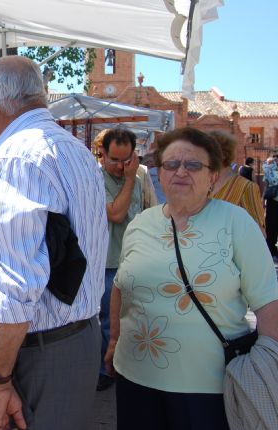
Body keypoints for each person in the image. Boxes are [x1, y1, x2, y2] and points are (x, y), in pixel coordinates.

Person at [0, 55, 107, 430]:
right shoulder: (75, 149)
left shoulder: (15, 156)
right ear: (40, 96)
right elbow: (61, 240)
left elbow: (20, 284)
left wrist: (1, 379)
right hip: (75, 340)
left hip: (42, 352)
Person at [104, 127, 278, 429]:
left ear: (212, 176)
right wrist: (114, 341)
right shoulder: (141, 224)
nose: (180, 171)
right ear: (160, 173)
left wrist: (268, 363)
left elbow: (268, 303)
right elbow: (121, 286)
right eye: (171, 164)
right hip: (135, 378)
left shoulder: (237, 223)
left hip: (208, 388)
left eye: (194, 165)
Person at [98, 128, 157, 390]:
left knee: (135, 316)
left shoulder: (142, 175)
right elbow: (116, 213)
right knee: (108, 321)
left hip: (137, 260)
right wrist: (131, 177)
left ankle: (130, 367)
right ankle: (105, 370)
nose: (122, 167)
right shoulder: (95, 178)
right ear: (102, 155)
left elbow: (151, 212)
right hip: (108, 262)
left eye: (127, 160)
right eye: (115, 160)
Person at [208, 130, 265, 235]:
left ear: (223, 154)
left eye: (207, 151)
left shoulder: (246, 188)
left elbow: (259, 233)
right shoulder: (201, 185)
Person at [263, 154, 278, 260]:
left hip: (273, 201)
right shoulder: (269, 172)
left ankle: (273, 251)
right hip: (272, 201)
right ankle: (272, 251)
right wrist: (263, 200)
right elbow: (266, 186)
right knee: (271, 226)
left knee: (272, 226)